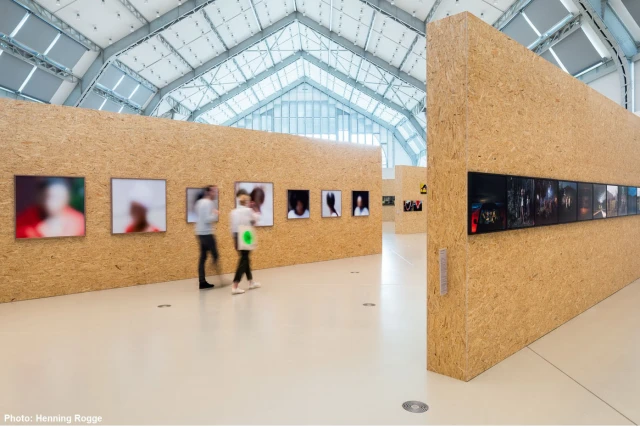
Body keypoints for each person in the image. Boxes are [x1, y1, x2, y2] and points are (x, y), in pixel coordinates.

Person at [16, 178, 85, 238]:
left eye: (58, 197)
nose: (53, 202)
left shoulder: (79, 221)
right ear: (40, 197)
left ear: (67, 198)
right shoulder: (23, 222)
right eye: (49, 197)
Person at [230, 189, 261, 295]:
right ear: (246, 201)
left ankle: (251, 282)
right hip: (246, 234)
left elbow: (233, 228)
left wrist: (235, 240)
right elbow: (256, 219)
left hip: (237, 235)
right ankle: (235, 285)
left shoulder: (233, 212)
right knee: (244, 260)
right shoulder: (248, 211)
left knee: (245, 258)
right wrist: (255, 209)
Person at [195, 186, 221, 290]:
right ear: (209, 192)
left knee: (203, 257)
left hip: (199, 232)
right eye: (214, 191)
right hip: (207, 233)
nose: (216, 193)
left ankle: (202, 281)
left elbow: (200, 217)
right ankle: (213, 274)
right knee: (215, 255)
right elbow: (206, 219)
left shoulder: (199, 202)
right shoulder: (208, 203)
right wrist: (215, 214)